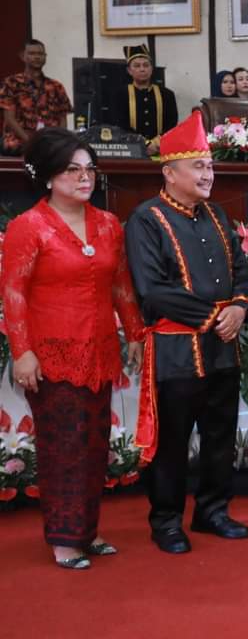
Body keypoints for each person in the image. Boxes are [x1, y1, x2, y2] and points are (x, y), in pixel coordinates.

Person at [0, 129, 144, 569]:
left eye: (89, 170)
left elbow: (120, 283)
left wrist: (135, 333)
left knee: (96, 445)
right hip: (52, 354)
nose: (84, 178)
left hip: (100, 348)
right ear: (47, 178)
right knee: (65, 446)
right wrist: (22, 351)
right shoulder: (30, 226)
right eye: (72, 171)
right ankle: (64, 540)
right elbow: (14, 293)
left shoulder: (107, 223)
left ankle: (88, 529)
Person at [125, 112, 248, 553]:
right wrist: (214, 317)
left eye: (210, 166)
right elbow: (153, 289)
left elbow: (242, 271)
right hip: (177, 350)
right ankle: (165, 521)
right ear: (169, 172)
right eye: (198, 166)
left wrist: (240, 307)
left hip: (222, 348)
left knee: (220, 435)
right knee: (173, 442)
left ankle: (212, 512)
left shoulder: (218, 215)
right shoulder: (147, 219)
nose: (208, 174)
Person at [0, 39, 72, 155]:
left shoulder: (56, 86)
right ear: (23, 56)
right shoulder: (11, 83)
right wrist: (32, 142)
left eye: (40, 54)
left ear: (45, 57)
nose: (37, 57)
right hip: (18, 142)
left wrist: (59, 141)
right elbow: (9, 119)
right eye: (32, 54)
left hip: (49, 143)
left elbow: (62, 120)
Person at [109, 44, 178, 152]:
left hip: (160, 149)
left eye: (146, 65)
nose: (142, 69)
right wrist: (143, 143)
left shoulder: (167, 94)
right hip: (130, 150)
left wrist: (155, 143)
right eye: (137, 66)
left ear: (151, 69)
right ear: (129, 70)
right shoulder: (120, 94)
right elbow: (120, 125)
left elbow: (172, 124)